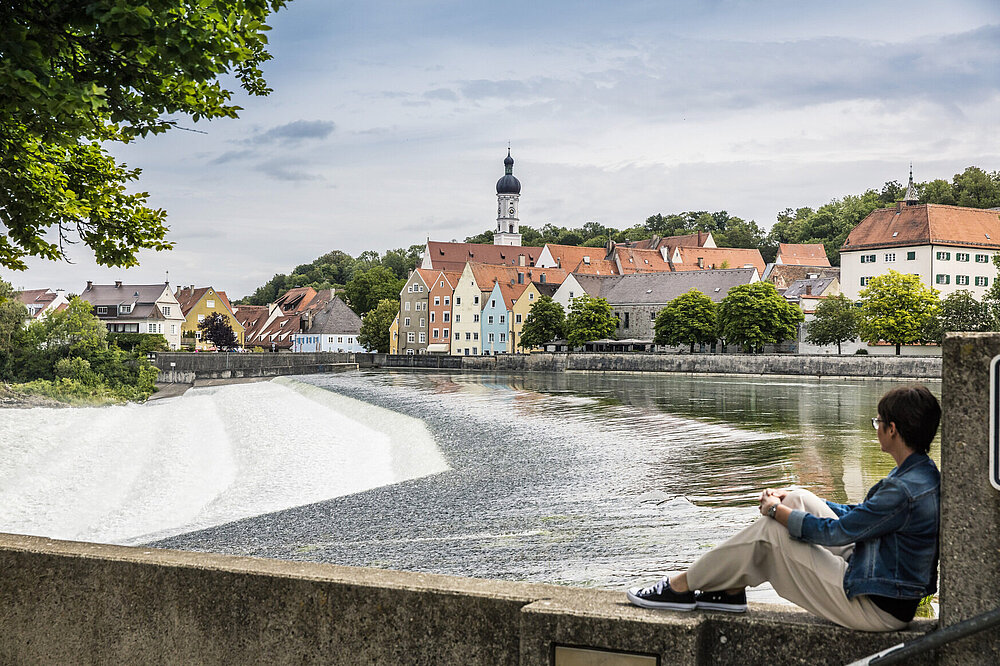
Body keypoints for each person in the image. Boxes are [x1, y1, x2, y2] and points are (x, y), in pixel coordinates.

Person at [627, 384, 942, 632]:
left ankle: (680, 586)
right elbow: (865, 516)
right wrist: (789, 498)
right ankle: (729, 592)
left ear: (892, 429)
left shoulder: (902, 488)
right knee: (797, 498)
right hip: (879, 578)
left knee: (771, 533)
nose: (876, 428)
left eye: (878, 422)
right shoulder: (921, 473)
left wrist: (776, 512)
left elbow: (837, 533)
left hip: (876, 607)